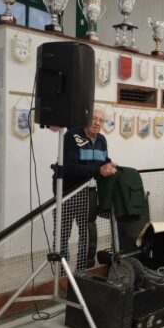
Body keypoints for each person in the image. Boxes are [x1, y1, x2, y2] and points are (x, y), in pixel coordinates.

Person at [54, 108, 117, 270]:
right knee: (62, 234)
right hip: (67, 193)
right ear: (86, 119)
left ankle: (83, 268)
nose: (97, 123)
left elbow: (101, 160)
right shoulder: (71, 136)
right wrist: (99, 170)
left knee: (87, 233)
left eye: (101, 120)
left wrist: (109, 164)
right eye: (94, 119)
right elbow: (70, 167)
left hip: (87, 194)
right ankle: (62, 271)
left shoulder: (102, 140)